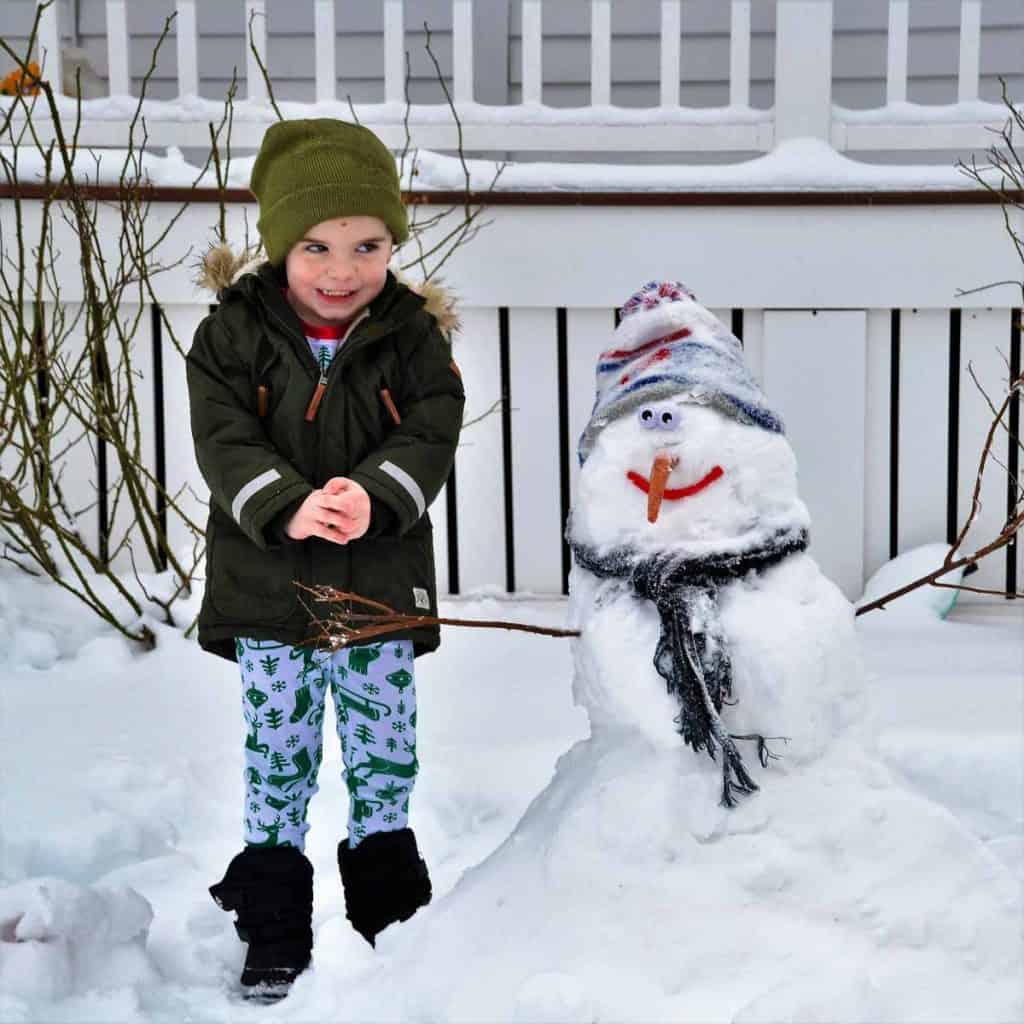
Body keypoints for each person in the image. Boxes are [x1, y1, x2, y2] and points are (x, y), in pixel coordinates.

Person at [186, 118, 464, 998]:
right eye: (316, 246)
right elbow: (223, 439)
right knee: (280, 749)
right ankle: (273, 926)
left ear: (393, 242)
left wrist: (373, 491)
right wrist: (287, 502)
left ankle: (394, 925)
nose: (342, 270)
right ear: (278, 245)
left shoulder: (412, 336)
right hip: (272, 592)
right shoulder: (231, 335)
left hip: (375, 590)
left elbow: (431, 429)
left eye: (367, 245)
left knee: (384, 754)